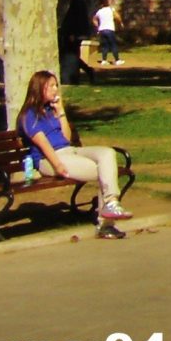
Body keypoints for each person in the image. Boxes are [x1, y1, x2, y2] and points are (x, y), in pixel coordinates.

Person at [16, 69, 131, 238]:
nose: (55, 90)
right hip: (49, 160)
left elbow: (66, 138)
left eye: (56, 85)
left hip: (70, 151)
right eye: (51, 86)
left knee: (107, 154)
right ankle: (106, 223)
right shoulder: (29, 115)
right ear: (38, 88)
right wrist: (58, 165)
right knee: (104, 171)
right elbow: (44, 144)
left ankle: (111, 203)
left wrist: (60, 111)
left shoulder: (50, 110)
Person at [59, 0, 96, 85]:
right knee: (73, 56)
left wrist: (73, 34)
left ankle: (86, 71)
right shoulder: (76, 2)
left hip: (74, 35)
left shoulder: (77, 2)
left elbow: (76, 19)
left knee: (71, 56)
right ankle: (88, 71)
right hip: (74, 34)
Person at [93, 0, 123, 66]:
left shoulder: (99, 11)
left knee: (105, 45)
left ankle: (104, 60)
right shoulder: (111, 9)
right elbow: (117, 17)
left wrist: (97, 26)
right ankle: (117, 60)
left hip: (102, 30)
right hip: (109, 29)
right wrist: (120, 23)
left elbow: (94, 19)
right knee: (113, 45)